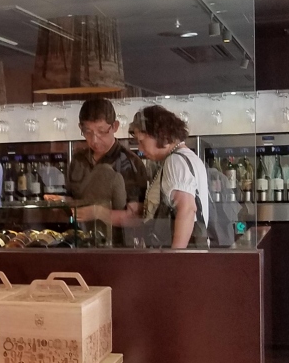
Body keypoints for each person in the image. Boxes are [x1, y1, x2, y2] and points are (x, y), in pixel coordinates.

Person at [68, 97, 148, 243]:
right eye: (88, 132)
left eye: (102, 131)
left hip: (119, 245)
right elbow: (71, 199)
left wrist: (98, 212)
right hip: (80, 241)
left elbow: (136, 217)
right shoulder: (78, 160)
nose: (94, 140)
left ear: (115, 126)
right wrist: (60, 201)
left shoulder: (130, 163)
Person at [130, 104, 210, 249]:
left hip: (179, 257)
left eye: (141, 141)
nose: (140, 148)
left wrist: (175, 256)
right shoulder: (187, 157)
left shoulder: (175, 161)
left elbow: (187, 209)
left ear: (161, 135)